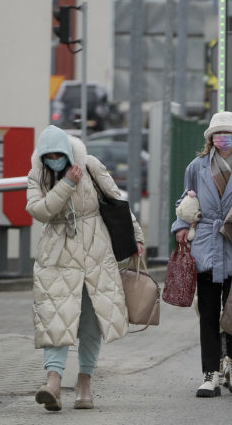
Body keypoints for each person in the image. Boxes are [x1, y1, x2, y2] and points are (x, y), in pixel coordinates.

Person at [26, 125, 144, 412]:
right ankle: (53, 382)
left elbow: (117, 202)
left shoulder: (89, 165)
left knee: (92, 321)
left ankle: (84, 383)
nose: (54, 159)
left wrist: (136, 237)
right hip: (56, 256)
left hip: (96, 253)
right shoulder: (38, 174)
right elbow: (39, 211)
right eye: (49, 156)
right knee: (56, 315)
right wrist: (65, 184)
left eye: (59, 154)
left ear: (68, 153)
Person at [171, 111, 232, 398]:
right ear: (209, 138)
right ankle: (210, 373)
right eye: (216, 133)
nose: (221, 138)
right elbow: (185, 198)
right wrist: (180, 225)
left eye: (227, 133)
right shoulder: (197, 166)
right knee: (209, 312)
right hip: (205, 244)